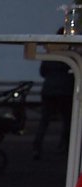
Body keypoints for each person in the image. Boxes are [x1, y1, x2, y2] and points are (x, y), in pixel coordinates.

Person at [33, 29, 73, 160]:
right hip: (66, 90)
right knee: (67, 120)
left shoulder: (50, 54)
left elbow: (42, 72)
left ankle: (37, 146)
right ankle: (64, 145)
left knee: (44, 120)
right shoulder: (70, 54)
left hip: (49, 90)